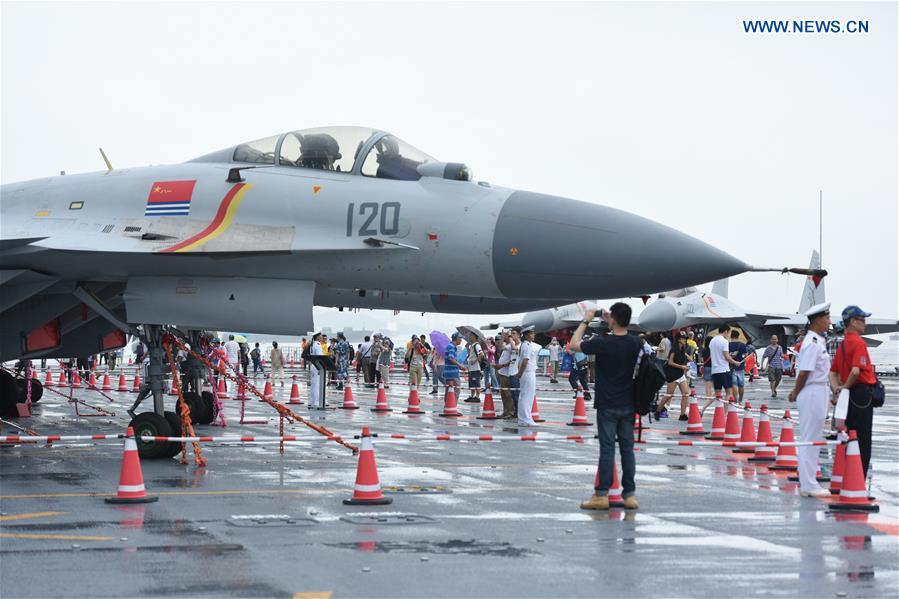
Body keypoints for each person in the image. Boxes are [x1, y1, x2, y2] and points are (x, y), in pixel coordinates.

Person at [571, 303, 642, 511]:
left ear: (614, 318)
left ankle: (601, 495)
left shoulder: (602, 342)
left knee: (607, 449)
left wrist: (587, 319)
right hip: (629, 403)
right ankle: (629, 495)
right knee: (627, 450)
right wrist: (611, 320)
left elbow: (574, 344)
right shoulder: (635, 342)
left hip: (607, 403)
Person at [788, 303, 834, 497]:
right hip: (812, 390)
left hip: (818, 390)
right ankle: (808, 484)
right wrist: (796, 392)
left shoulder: (817, 341)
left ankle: (809, 481)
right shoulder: (812, 343)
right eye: (827, 318)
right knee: (809, 438)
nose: (829, 322)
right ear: (817, 320)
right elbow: (805, 372)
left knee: (814, 437)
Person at [829, 305, 879, 479]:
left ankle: (847, 476)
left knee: (848, 435)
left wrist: (838, 389)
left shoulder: (843, 344)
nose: (865, 323)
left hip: (848, 397)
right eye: (862, 320)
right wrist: (845, 387)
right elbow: (856, 371)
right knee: (863, 440)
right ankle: (858, 479)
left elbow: (832, 373)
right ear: (852, 321)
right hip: (861, 395)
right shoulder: (858, 343)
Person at [701, 325, 741, 414]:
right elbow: (726, 357)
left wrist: (727, 356)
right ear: (726, 331)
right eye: (729, 332)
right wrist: (735, 362)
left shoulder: (712, 341)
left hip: (715, 370)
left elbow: (717, 354)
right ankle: (725, 413)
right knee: (728, 392)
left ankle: (703, 409)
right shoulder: (724, 341)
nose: (728, 334)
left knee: (716, 393)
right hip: (724, 369)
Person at [657, 332, 691, 420]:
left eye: (685, 338)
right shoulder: (674, 350)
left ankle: (682, 414)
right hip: (673, 375)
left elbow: (688, 358)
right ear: (679, 339)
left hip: (681, 374)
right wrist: (682, 367)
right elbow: (670, 362)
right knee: (669, 395)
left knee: (686, 394)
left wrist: (688, 361)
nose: (685, 340)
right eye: (683, 338)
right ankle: (658, 411)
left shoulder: (682, 349)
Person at [515, 326, 539, 426]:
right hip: (528, 373)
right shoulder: (527, 346)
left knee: (525, 396)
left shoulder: (525, 345)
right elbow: (525, 361)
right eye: (531, 333)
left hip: (527, 372)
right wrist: (520, 373)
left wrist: (520, 373)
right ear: (526, 335)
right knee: (527, 397)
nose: (533, 335)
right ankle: (526, 419)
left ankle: (523, 419)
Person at [494, 334, 515, 419]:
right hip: (502, 373)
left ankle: (510, 412)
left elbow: (512, 360)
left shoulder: (511, 346)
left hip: (506, 373)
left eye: (504, 336)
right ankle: (505, 411)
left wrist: (501, 366)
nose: (502, 338)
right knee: (503, 395)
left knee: (507, 395)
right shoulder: (506, 346)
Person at [443, 332, 466, 401]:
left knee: (448, 390)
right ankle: (453, 405)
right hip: (453, 373)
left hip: (448, 372)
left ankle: (447, 405)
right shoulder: (452, 347)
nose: (461, 340)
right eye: (460, 338)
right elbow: (451, 358)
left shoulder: (449, 346)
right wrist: (460, 366)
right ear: (456, 338)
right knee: (456, 389)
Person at [728, 330, 749, 403]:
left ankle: (735, 401)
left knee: (734, 384)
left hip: (732, 367)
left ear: (731, 336)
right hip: (741, 367)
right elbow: (746, 356)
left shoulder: (728, 345)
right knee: (741, 385)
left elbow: (726, 356)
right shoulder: (743, 345)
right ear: (738, 336)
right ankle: (740, 400)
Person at [464, 332, 484, 403]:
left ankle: (477, 397)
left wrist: (475, 361)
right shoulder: (472, 346)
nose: (469, 337)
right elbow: (470, 355)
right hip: (471, 368)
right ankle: (472, 396)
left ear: (474, 337)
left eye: (471, 335)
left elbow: (481, 354)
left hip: (475, 368)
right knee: (472, 383)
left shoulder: (477, 345)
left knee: (476, 383)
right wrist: (467, 348)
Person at [309, 333, 324, 407]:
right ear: (317, 337)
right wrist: (320, 368)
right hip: (317, 366)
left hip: (313, 365)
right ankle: (316, 401)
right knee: (317, 384)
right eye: (321, 335)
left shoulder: (313, 344)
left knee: (314, 384)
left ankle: (313, 401)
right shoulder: (318, 345)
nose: (322, 337)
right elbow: (319, 357)